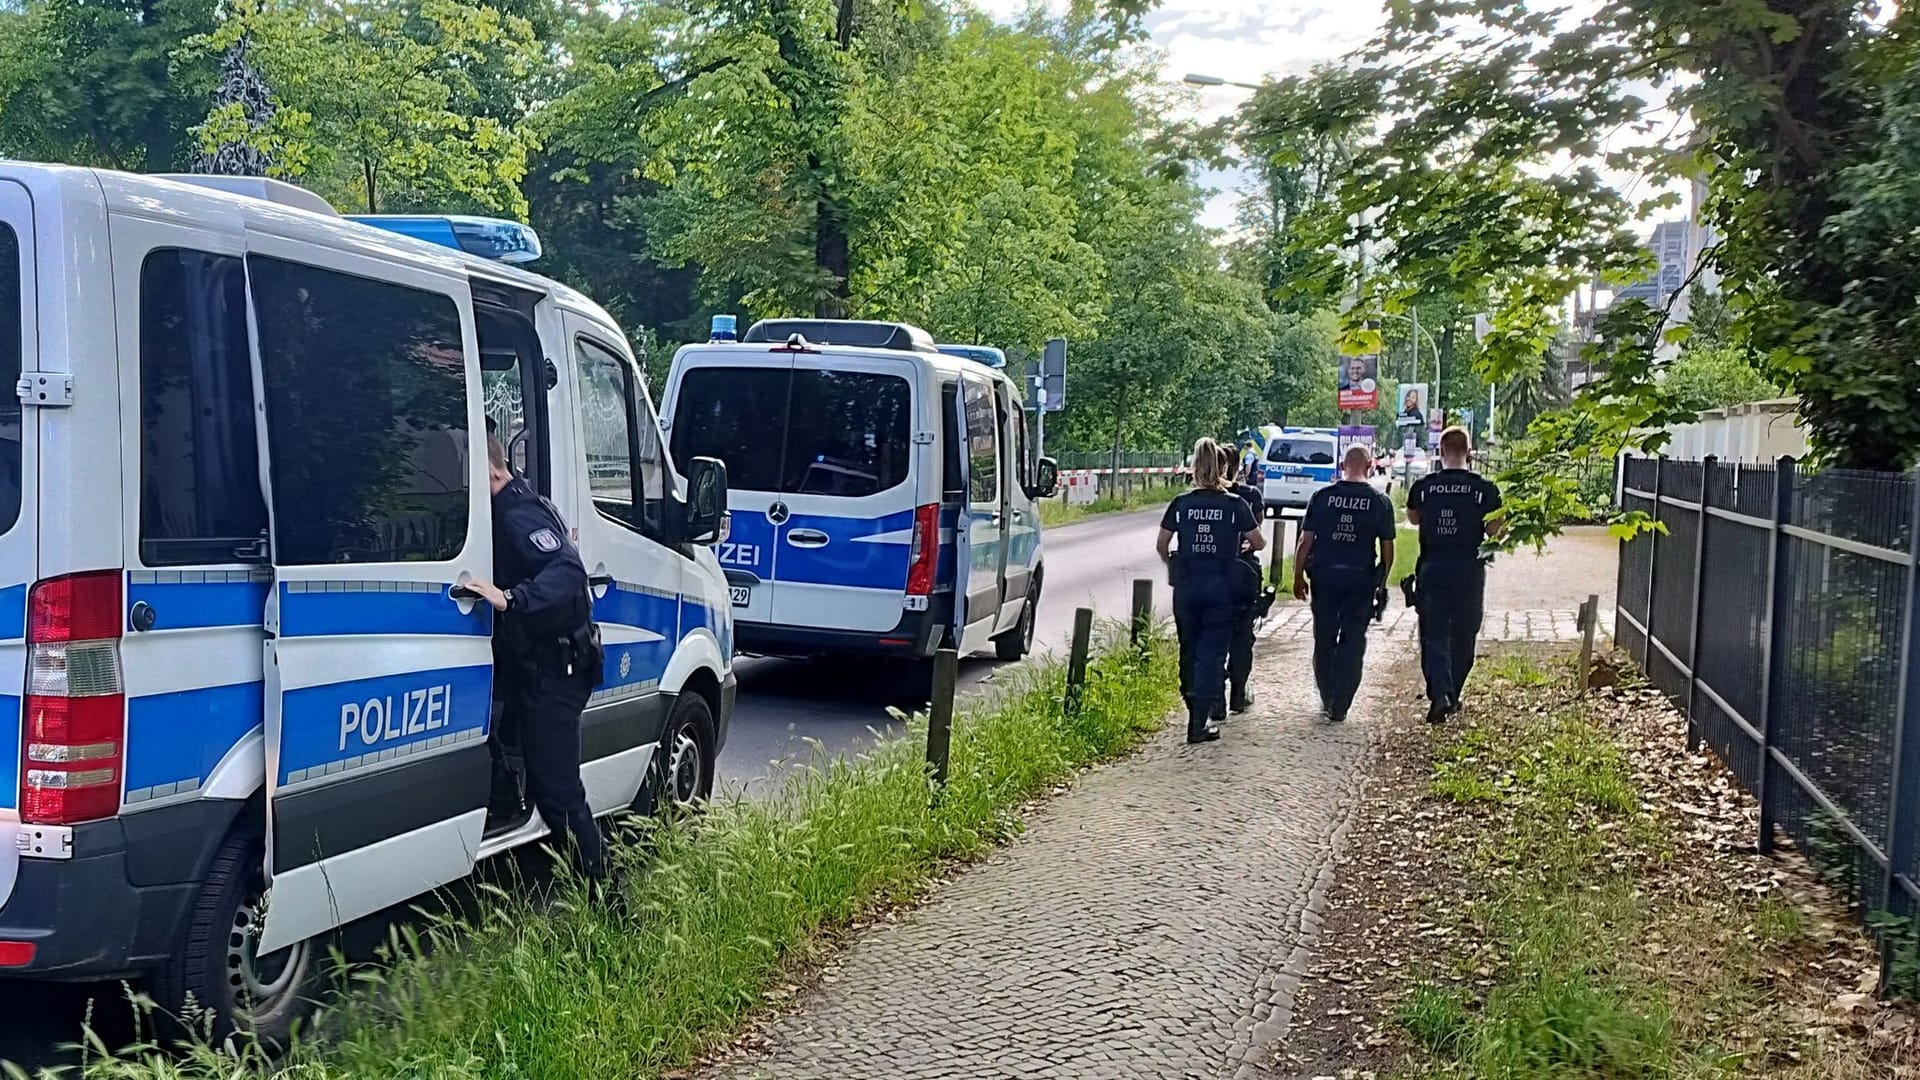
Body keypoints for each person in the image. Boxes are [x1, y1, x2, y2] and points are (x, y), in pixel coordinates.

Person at [466, 435, 608, 880]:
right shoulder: (510, 504)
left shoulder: (517, 511)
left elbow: (567, 572)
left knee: (559, 796)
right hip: (537, 665)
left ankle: (610, 908)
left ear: (490, 469)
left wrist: (511, 598)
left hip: (557, 671)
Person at [1157, 437, 1266, 743]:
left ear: (1193, 467)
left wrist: (1173, 566)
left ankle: (1193, 705)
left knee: (1188, 650)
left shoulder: (1182, 503)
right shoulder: (1234, 504)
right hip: (1222, 588)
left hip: (1187, 587)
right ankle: (1198, 721)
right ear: (1222, 467)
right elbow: (1258, 542)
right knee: (1212, 654)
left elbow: (1162, 544)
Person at [1406, 426, 1505, 724]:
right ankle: (1454, 693)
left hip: (1433, 566)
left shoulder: (1424, 487)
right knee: (1465, 632)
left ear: (1440, 453)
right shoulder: (1485, 489)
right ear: (1469, 452)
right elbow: (1494, 530)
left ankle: (1440, 693)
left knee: (1433, 633)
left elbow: (1413, 518)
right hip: (1469, 569)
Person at [1293, 446, 1396, 722]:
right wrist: (1381, 583)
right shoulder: (1379, 501)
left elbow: (1305, 542)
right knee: (1353, 640)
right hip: (1360, 580)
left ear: (1342, 465)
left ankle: (1327, 695)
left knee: (1324, 637)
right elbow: (1387, 550)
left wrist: (1297, 576)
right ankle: (1341, 704)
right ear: (1371, 465)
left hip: (1325, 577)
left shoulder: (1322, 497)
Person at [1221, 444, 1267, 715]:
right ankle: (1238, 694)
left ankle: (1215, 700)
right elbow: (1257, 535)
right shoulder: (1249, 496)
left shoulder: (1201, 498)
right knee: (1242, 637)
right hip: (1244, 573)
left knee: (1214, 636)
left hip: (1211, 575)